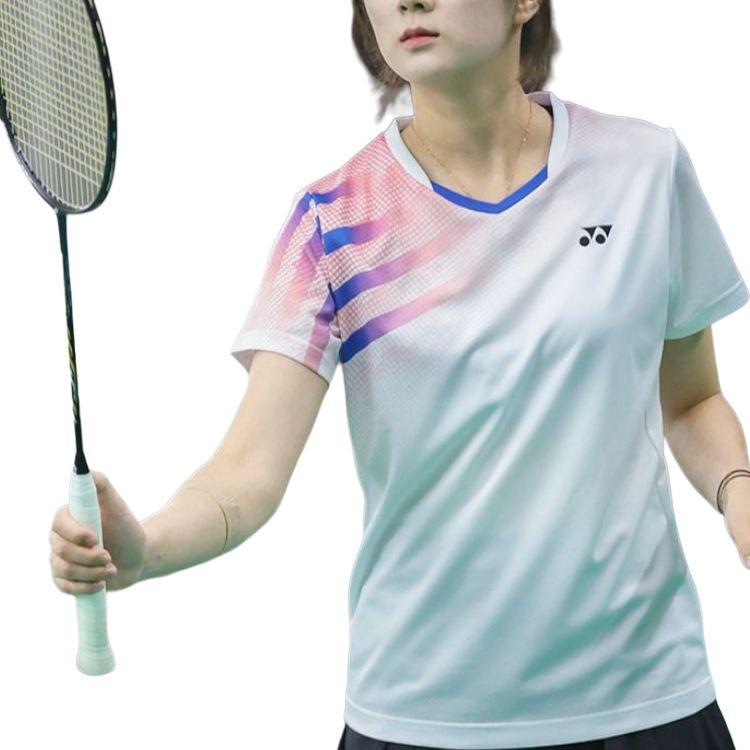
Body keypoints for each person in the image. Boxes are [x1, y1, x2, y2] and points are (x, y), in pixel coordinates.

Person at [48, 1, 750, 748]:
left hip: (646, 702)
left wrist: (738, 489)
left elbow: (691, 400)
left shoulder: (642, 168)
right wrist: (146, 548)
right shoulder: (334, 219)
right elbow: (245, 475)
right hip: (421, 715)